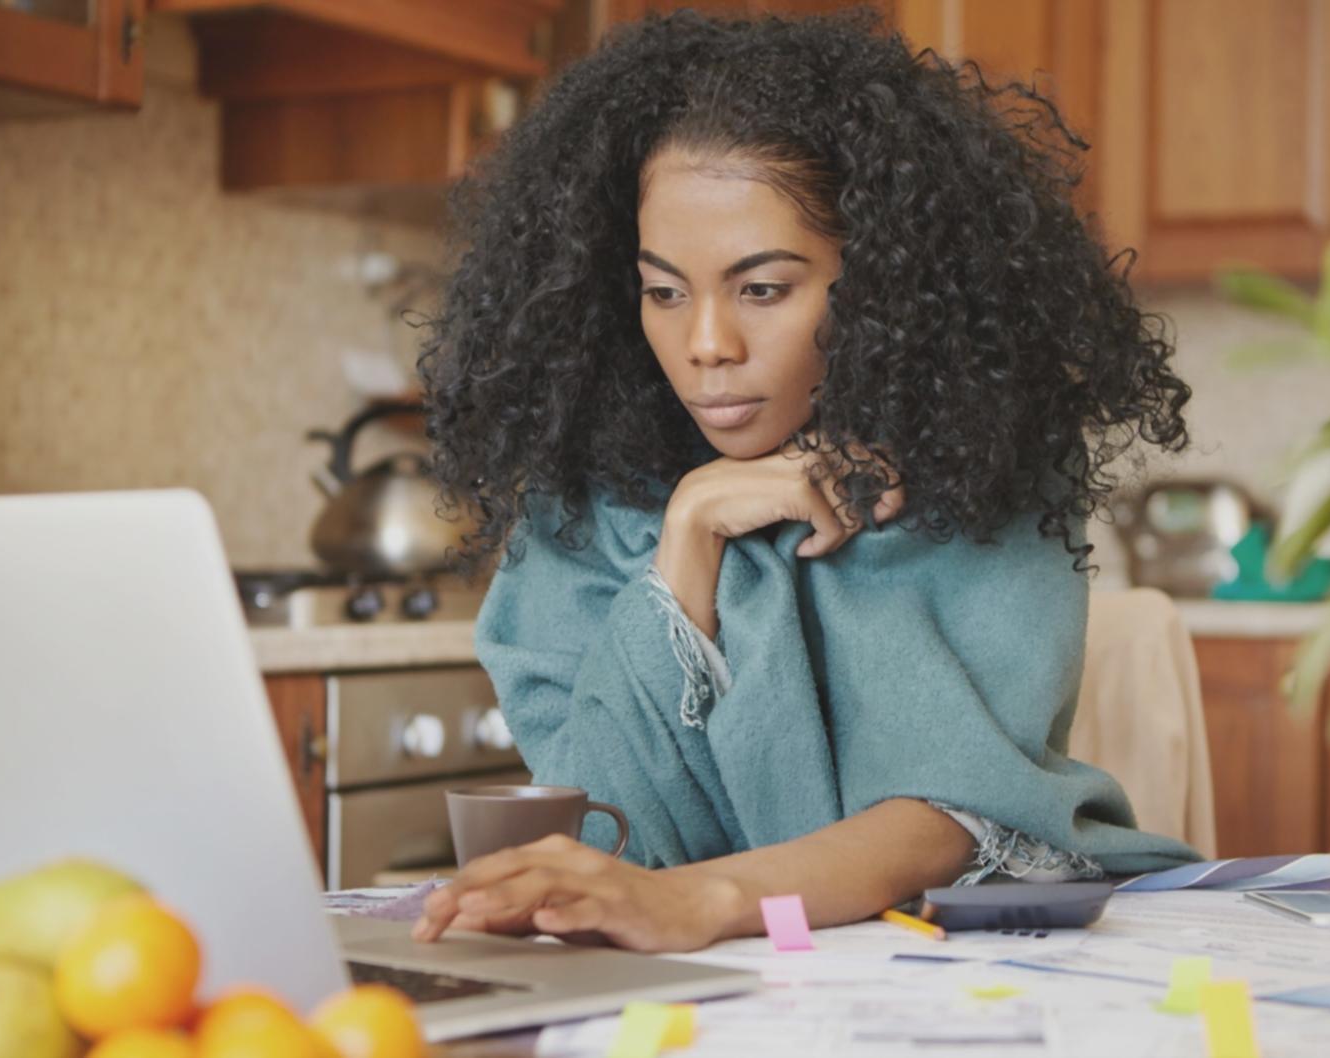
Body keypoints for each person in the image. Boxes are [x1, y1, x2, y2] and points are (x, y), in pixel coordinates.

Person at [412, 8, 1198, 953]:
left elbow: (947, 820)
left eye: (763, 289)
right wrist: (688, 540)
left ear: (877, 281)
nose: (707, 345)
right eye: (664, 291)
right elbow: (602, 837)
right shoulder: (583, 510)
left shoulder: (984, 469)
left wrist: (704, 903)